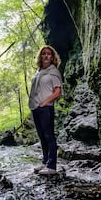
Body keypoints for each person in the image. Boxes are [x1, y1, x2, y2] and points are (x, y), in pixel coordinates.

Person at [29, 45, 63, 175]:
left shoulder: (53, 72)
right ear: (40, 56)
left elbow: (58, 91)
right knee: (42, 136)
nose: (46, 56)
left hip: (46, 108)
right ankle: (44, 162)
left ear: (52, 57)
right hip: (35, 107)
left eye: (49, 54)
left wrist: (45, 102)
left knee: (49, 136)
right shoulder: (38, 72)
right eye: (44, 53)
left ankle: (52, 166)